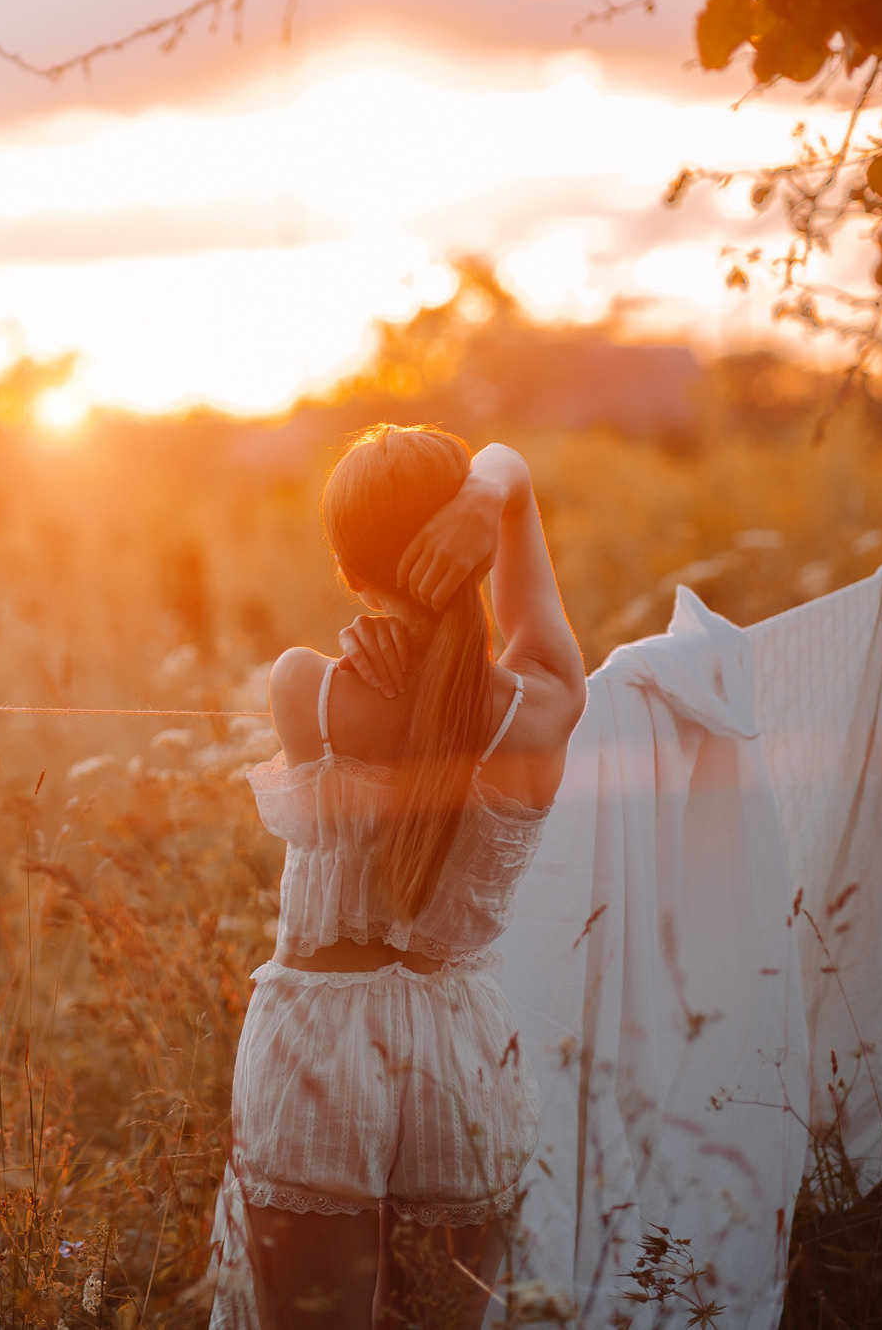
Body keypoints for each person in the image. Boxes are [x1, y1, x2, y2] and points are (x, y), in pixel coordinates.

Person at [215, 425, 587, 1330]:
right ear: (469, 543)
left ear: (345, 563)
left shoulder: (303, 686)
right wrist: (492, 493)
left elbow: (385, 683)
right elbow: (515, 474)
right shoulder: (539, 708)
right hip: (460, 1052)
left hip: (315, 1052)